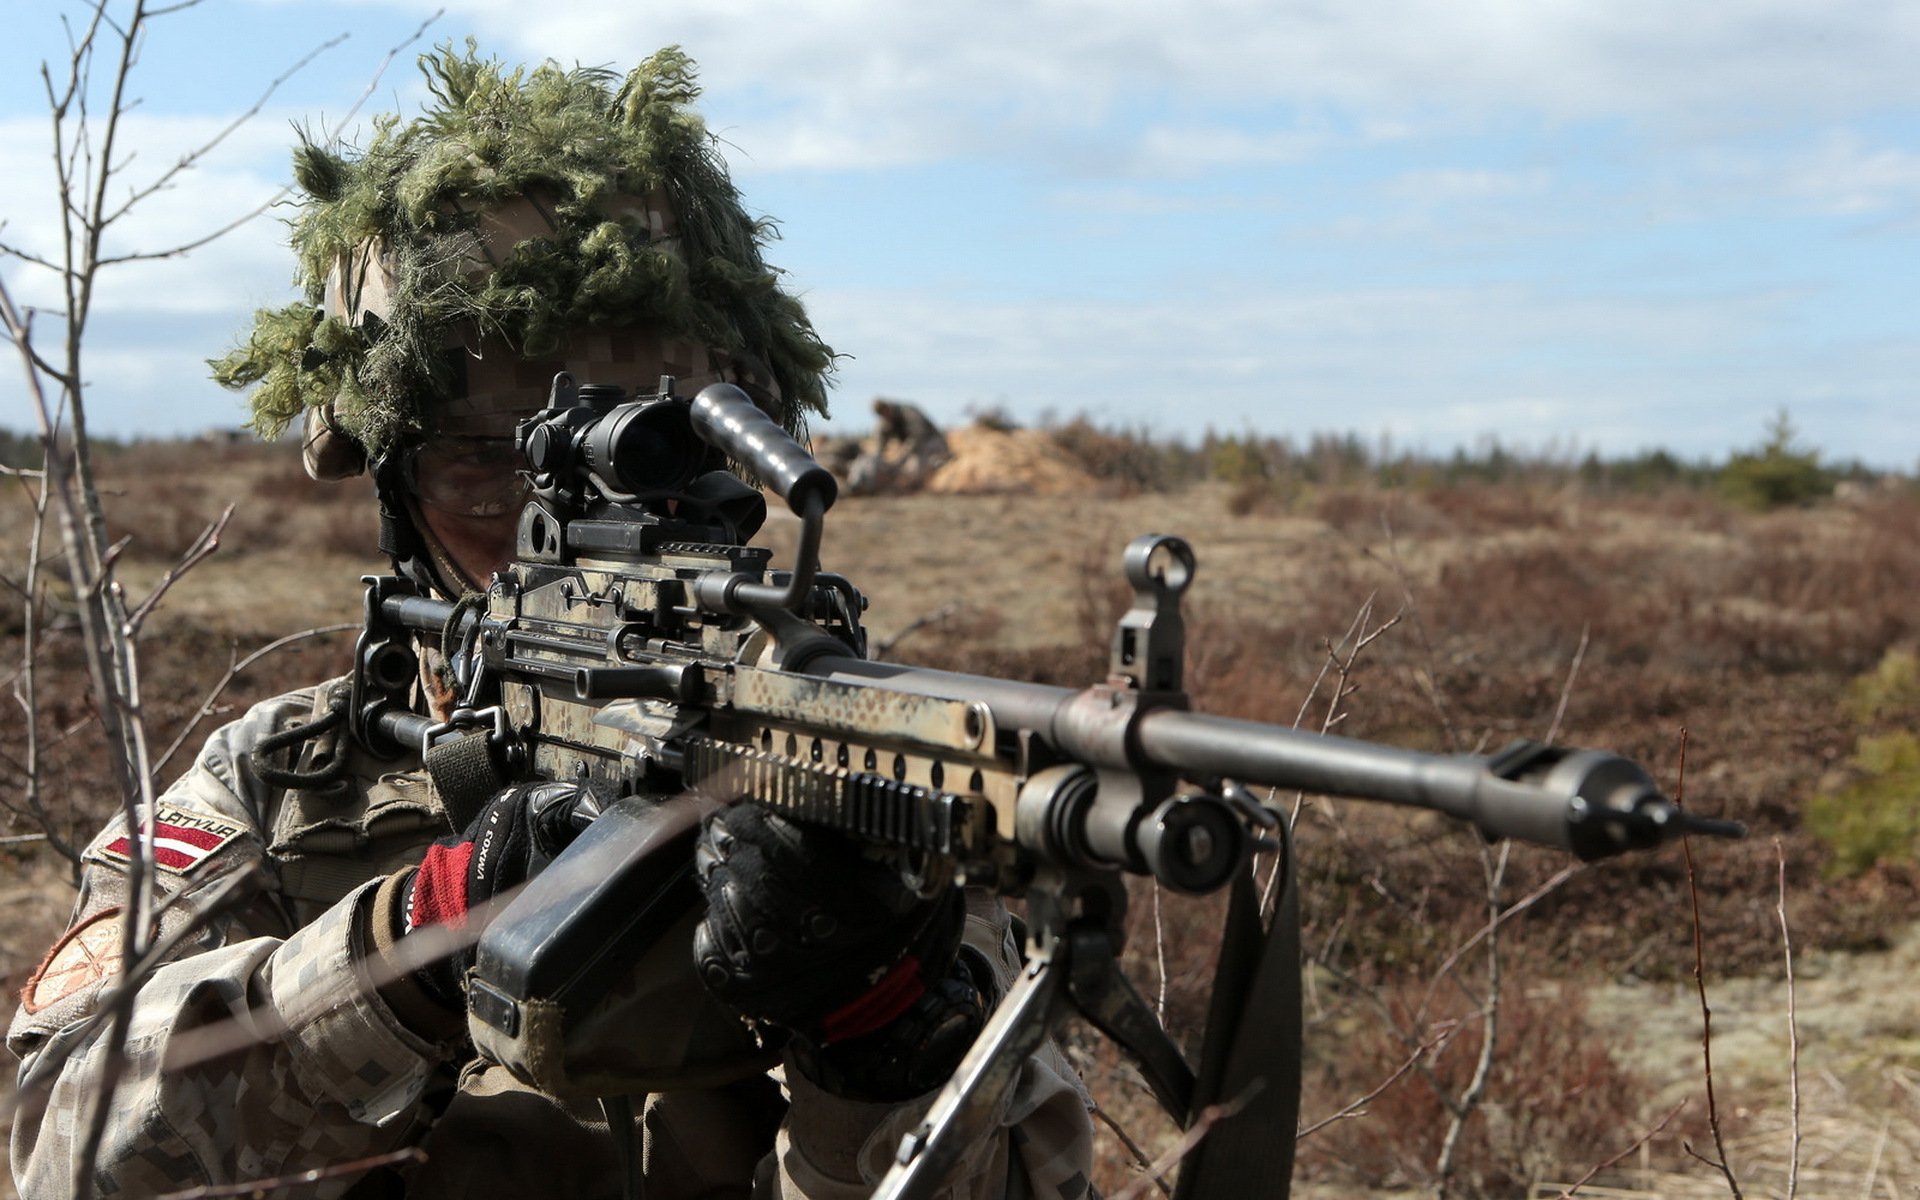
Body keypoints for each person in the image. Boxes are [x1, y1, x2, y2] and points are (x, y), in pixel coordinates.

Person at [8, 43, 1094, 1200]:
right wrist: (408, 944)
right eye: (484, 471)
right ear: (392, 492)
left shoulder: (850, 788)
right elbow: (54, 1148)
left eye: (661, 475)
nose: (556, 529)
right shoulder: (285, 795)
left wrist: (882, 1034)